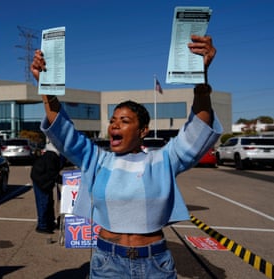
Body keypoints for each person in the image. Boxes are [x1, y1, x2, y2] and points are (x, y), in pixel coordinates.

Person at [31, 35, 221, 278]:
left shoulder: (163, 161)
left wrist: (200, 80)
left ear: (143, 131)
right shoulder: (97, 160)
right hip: (106, 264)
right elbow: (63, 131)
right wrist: (46, 86)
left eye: (124, 121)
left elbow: (198, 131)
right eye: (112, 121)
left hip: (156, 265)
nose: (115, 126)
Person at [30, 139, 63, 234]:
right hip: (41, 181)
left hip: (44, 180)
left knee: (49, 202)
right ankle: (42, 226)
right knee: (43, 203)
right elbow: (52, 173)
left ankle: (49, 223)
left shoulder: (52, 155)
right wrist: (65, 180)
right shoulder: (51, 156)